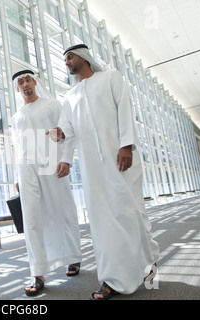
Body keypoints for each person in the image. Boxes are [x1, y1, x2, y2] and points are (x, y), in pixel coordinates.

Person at [47, 44, 159, 300]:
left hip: (121, 161)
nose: (66, 63)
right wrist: (61, 144)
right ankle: (111, 280)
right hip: (92, 169)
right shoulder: (71, 95)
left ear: (84, 57)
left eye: (69, 57)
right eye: (64, 59)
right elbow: (68, 131)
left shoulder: (110, 78)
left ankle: (146, 261)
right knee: (102, 222)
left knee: (131, 214)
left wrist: (126, 145)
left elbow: (125, 111)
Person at [11, 70, 82, 297]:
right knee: (31, 219)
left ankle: (73, 257)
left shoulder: (52, 105)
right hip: (27, 169)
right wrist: (17, 176)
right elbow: (16, 147)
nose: (25, 84)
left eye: (28, 80)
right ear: (18, 88)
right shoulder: (16, 116)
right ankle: (38, 273)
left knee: (62, 211)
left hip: (51, 164)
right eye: (20, 82)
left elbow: (68, 133)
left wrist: (66, 160)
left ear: (35, 82)